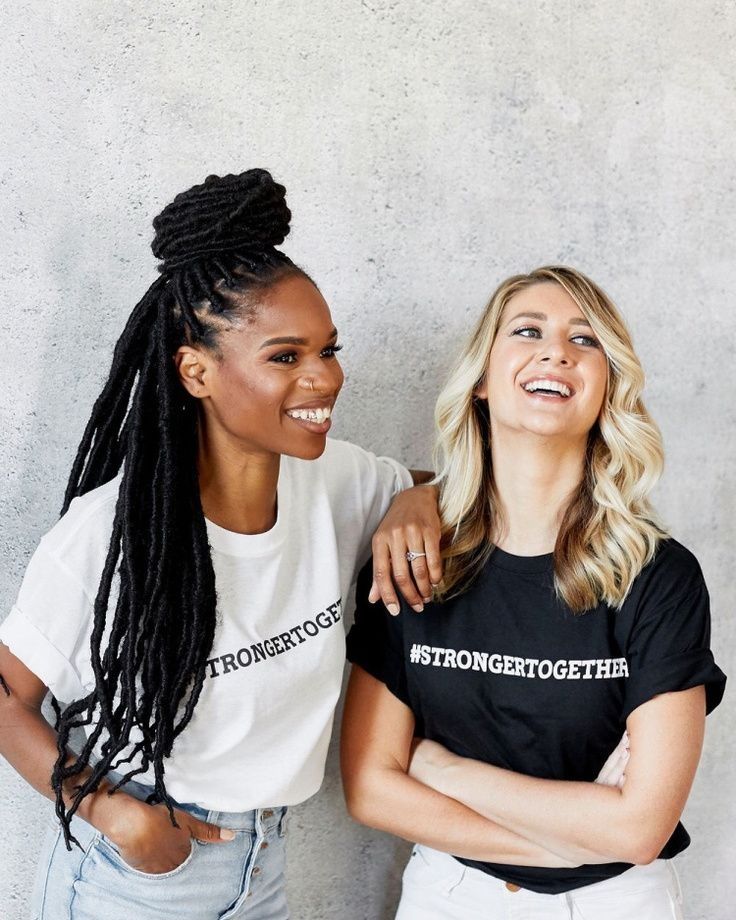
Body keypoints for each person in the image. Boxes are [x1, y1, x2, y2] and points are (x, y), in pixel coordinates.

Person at [0, 169, 439, 920]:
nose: (324, 379)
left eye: (329, 351)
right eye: (285, 356)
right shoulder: (106, 539)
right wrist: (117, 815)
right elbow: (8, 698)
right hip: (135, 876)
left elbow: (448, 488)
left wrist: (417, 498)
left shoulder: (338, 479)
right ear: (196, 370)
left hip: (265, 864)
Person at [342, 265, 726, 920]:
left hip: (617, 904)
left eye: (586, 340)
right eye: (528, 331)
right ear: (483, 381)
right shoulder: (413, 559)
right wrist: (566, 846)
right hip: (451, 896)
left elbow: (641, 829)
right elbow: (372, 790)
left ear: (607, 389)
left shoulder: (657, 575)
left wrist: (442, 770)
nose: (557, 350)